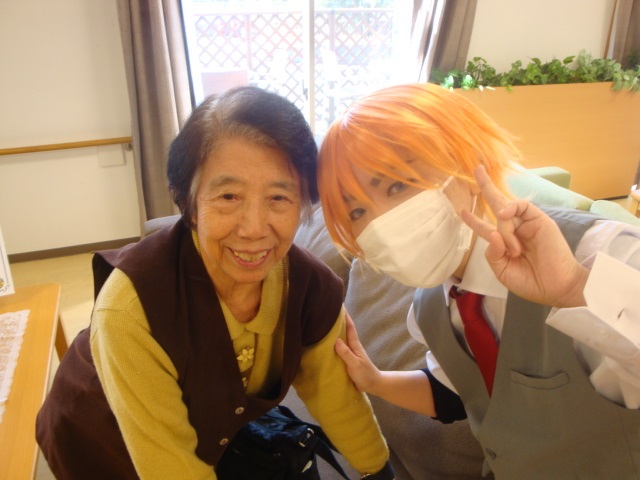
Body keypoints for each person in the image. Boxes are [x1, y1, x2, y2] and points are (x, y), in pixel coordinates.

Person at [36, 86, 394, 480]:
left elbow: (335, 393)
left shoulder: (311, 289)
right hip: (102, 432)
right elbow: (170, 466)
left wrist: (379, 471)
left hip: (209, 429)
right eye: (228, 196)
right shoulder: (131, 311)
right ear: (188, 202)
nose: (254, 229)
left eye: (278, 198)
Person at [316, 82, 640, 479]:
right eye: (356, 212)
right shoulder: (430, 308)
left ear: (466, 165)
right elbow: (456, 393)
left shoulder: (601, 248)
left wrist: (575, 288)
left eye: (397, 185)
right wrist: (375, 381)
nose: (379, 222)